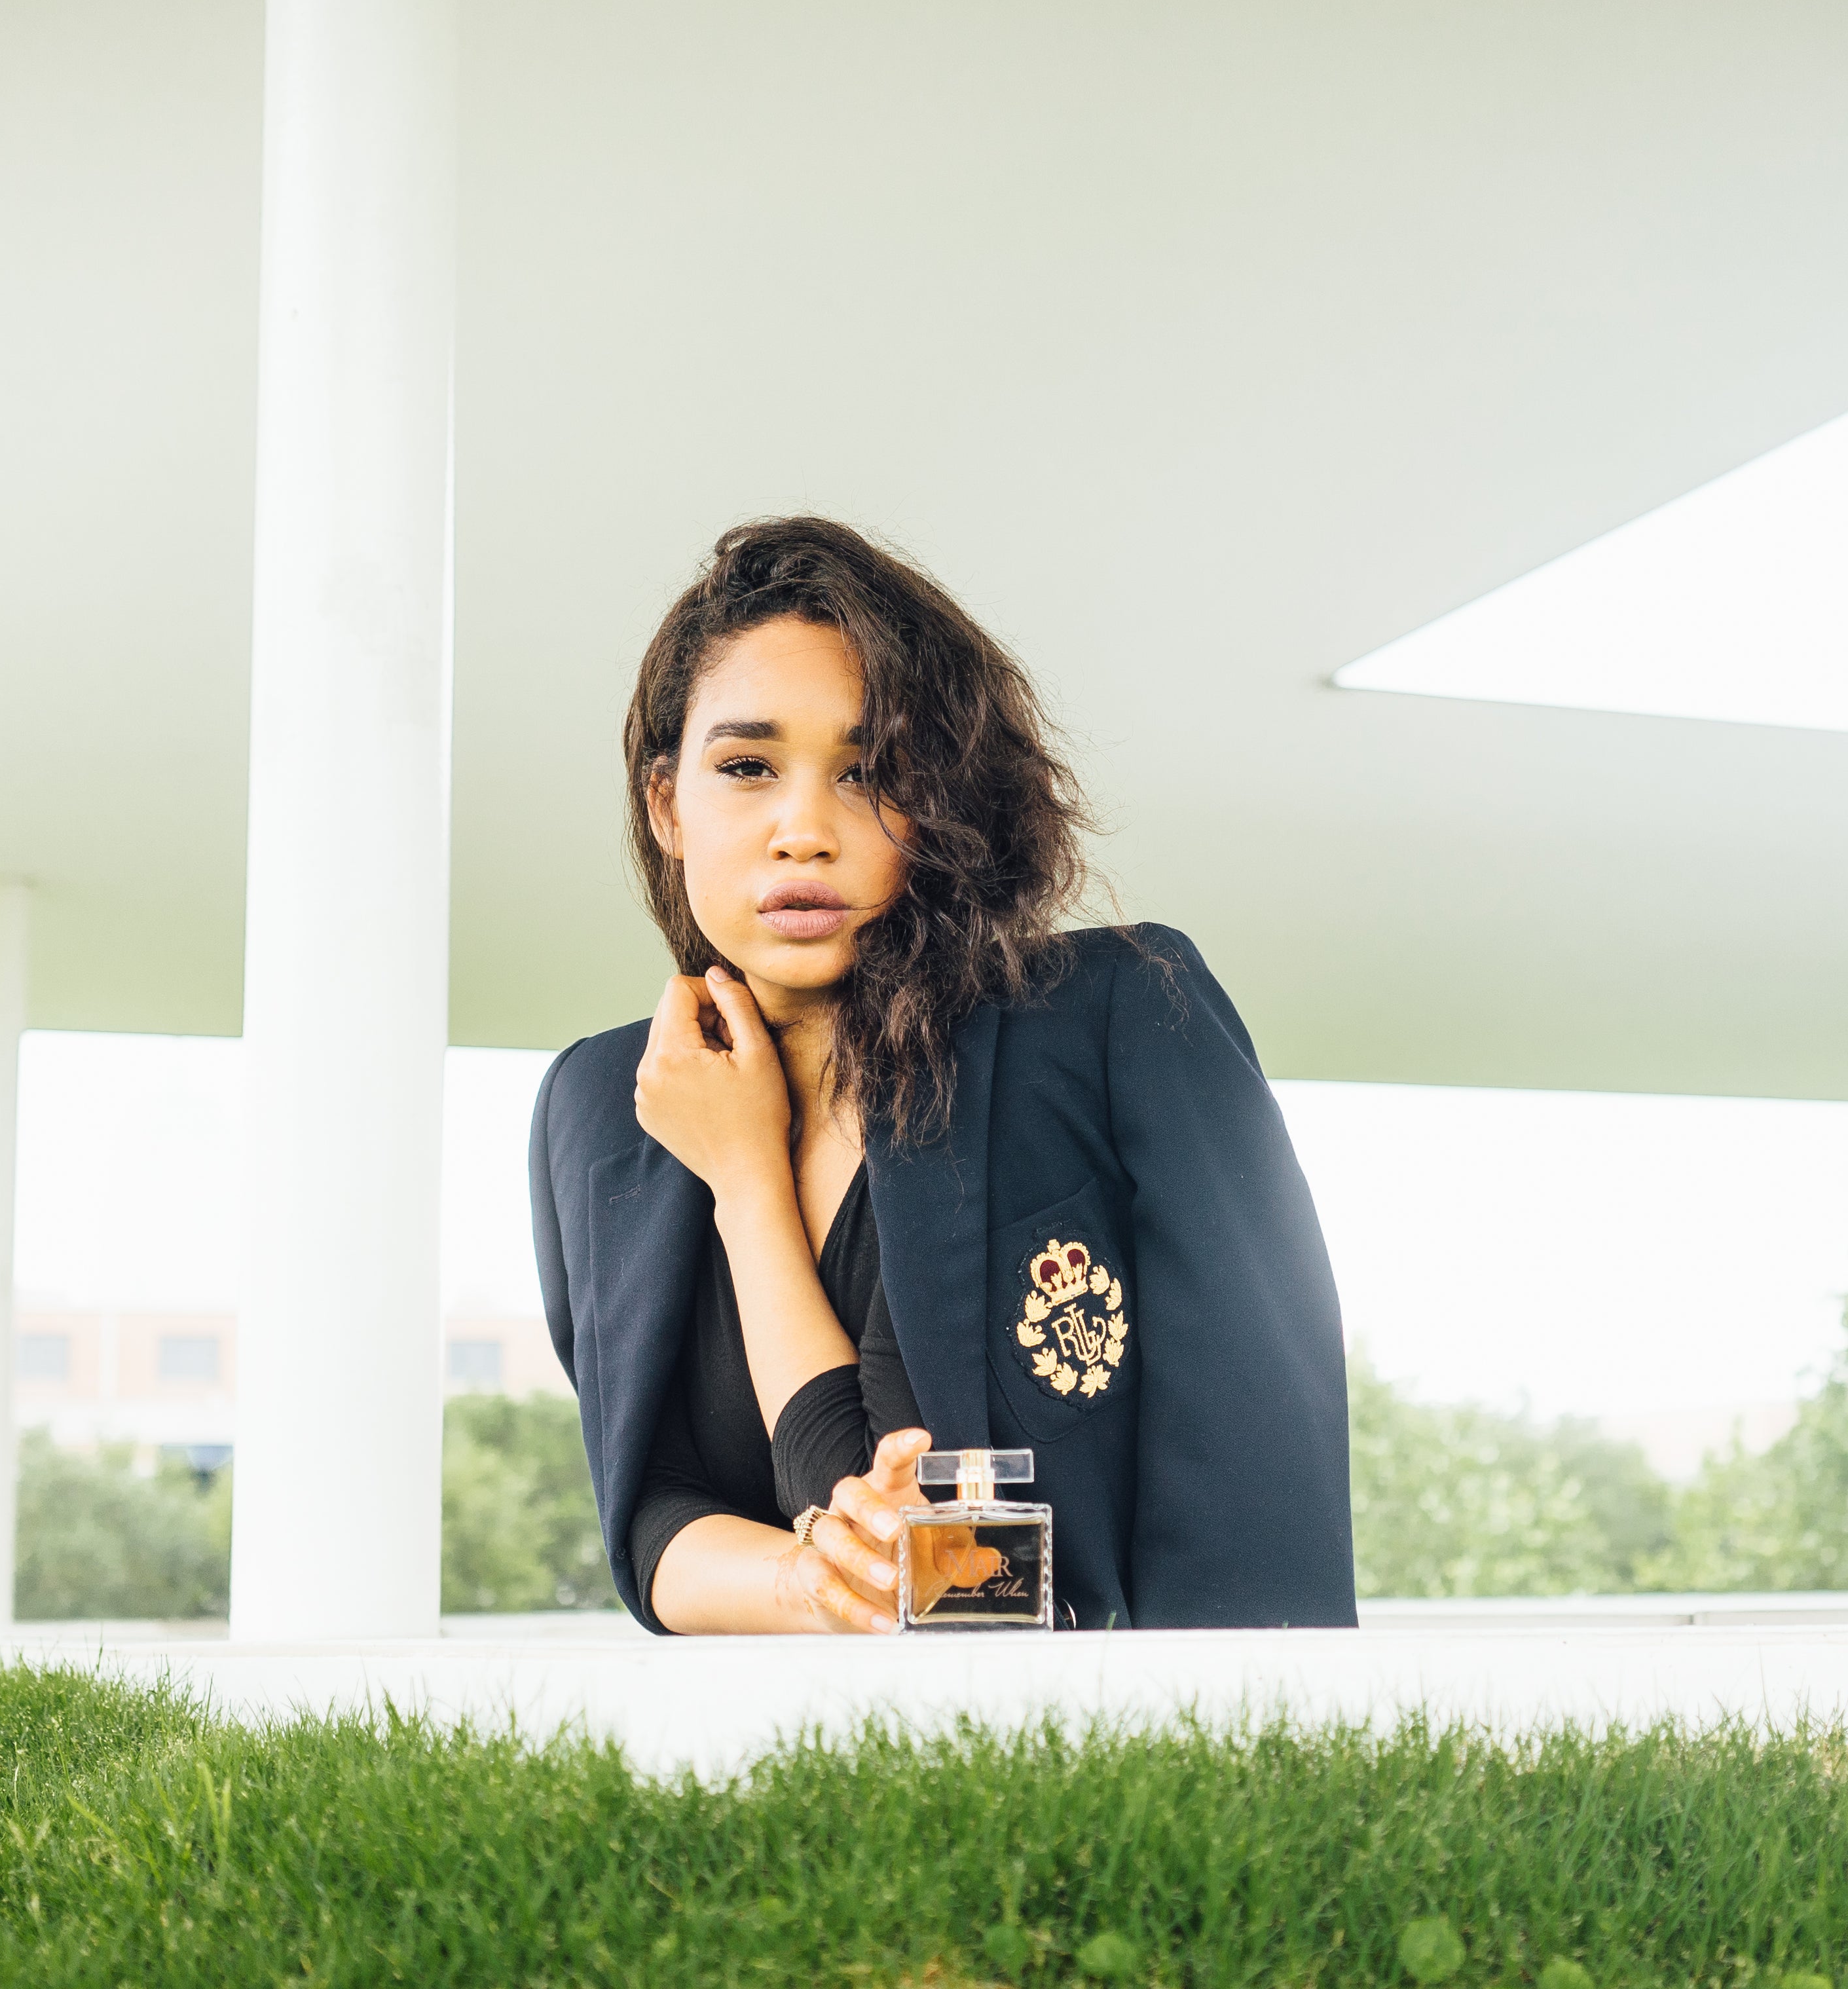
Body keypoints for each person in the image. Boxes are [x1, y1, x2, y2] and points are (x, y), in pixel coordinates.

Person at [528, 517, 1357, 1634]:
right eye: (747, 768)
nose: (803, 831)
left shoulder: (1118, 1016)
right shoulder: (603, 1103)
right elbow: (653, 1511)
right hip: (781, 1774)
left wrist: (746, 1187)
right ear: (666, 806)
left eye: (870, 772)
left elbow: (929, 1523)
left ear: (946, 803)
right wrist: (807, 1585)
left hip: (1117, 1765)